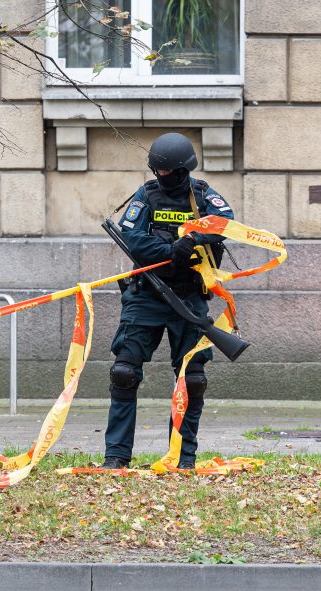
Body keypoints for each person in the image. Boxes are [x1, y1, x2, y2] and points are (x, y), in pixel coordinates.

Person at [103, 133, 234, 471]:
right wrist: (171, 253)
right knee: (124, 373)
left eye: (166, 172)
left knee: (192, 378)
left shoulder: (203, 194)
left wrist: (192, 239)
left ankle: (183, 456)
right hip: (147, 294)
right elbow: (132, 237)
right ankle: (116, 457)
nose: (161, 176)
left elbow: (224, 222)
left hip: (189, 297)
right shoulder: (145, 195)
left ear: (182, 170)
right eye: (157, 171)